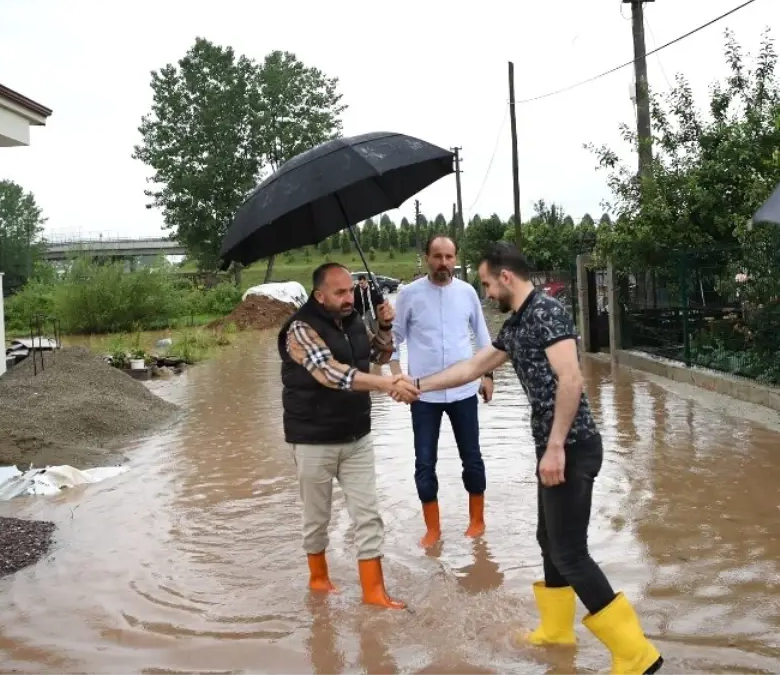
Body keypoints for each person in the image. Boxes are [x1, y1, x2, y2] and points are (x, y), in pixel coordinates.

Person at [401, 242, 664, 674]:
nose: (485, 293)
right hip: (554, 447)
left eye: (487, 283)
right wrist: (416, 384)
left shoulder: (546, 312)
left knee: (570, 553)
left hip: (572, 446)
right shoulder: (519, 322)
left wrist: (557, 445)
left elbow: (572, 378)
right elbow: (472, 368)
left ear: (506, 277)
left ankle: (637, 655)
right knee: (550, 543)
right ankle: (557, 632)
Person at [278, 262, 416, 610]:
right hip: (312, 440)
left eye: (350, 290)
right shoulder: (299, 329)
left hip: (357, 436)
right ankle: (319, 580)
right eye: (339, 292)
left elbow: (379, 355)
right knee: (317, 519)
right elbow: (330, 373)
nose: (348, 297)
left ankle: (374, 592)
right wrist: (386, 384)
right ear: (318, 294)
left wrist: (385, 325)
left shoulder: (353, 320)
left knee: (368, 515)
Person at [389, 234, 494, 547]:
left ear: (456, 259)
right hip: (423, 395)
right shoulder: (408, 294)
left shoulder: (467, 293)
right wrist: (397, 378)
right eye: (437, 257)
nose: (443, 264)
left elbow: (483, 336)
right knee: (424, 462)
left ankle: (477, 521)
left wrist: (488, 374)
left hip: (464, 391)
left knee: (472, 459)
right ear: (426, 258)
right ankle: (432, 529)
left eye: (449, 257)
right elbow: (393, 340)